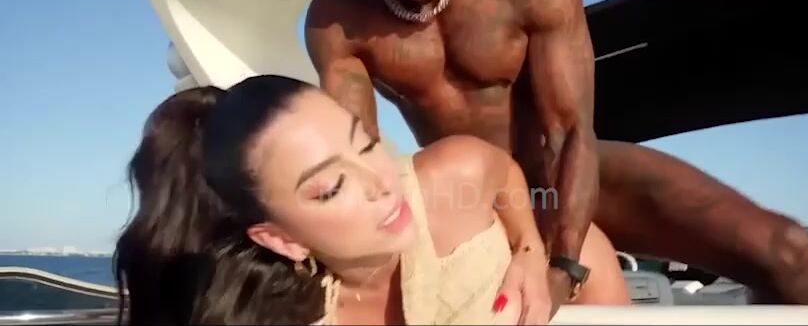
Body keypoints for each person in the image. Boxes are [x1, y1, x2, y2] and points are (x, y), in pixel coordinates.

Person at [302, 0, 808, 306]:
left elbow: (570, 132)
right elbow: (358, 157)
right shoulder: (337, 20)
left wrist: (563, 266)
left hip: (564, 172)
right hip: (471, 196)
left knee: (785, 250)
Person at [113, 74, 629, 326]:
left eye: (364, 143)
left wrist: (531, 251)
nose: (381, 181)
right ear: (282, 239)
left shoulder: (449, 173)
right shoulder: (295, 313)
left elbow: (503, 175)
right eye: (331, 188)